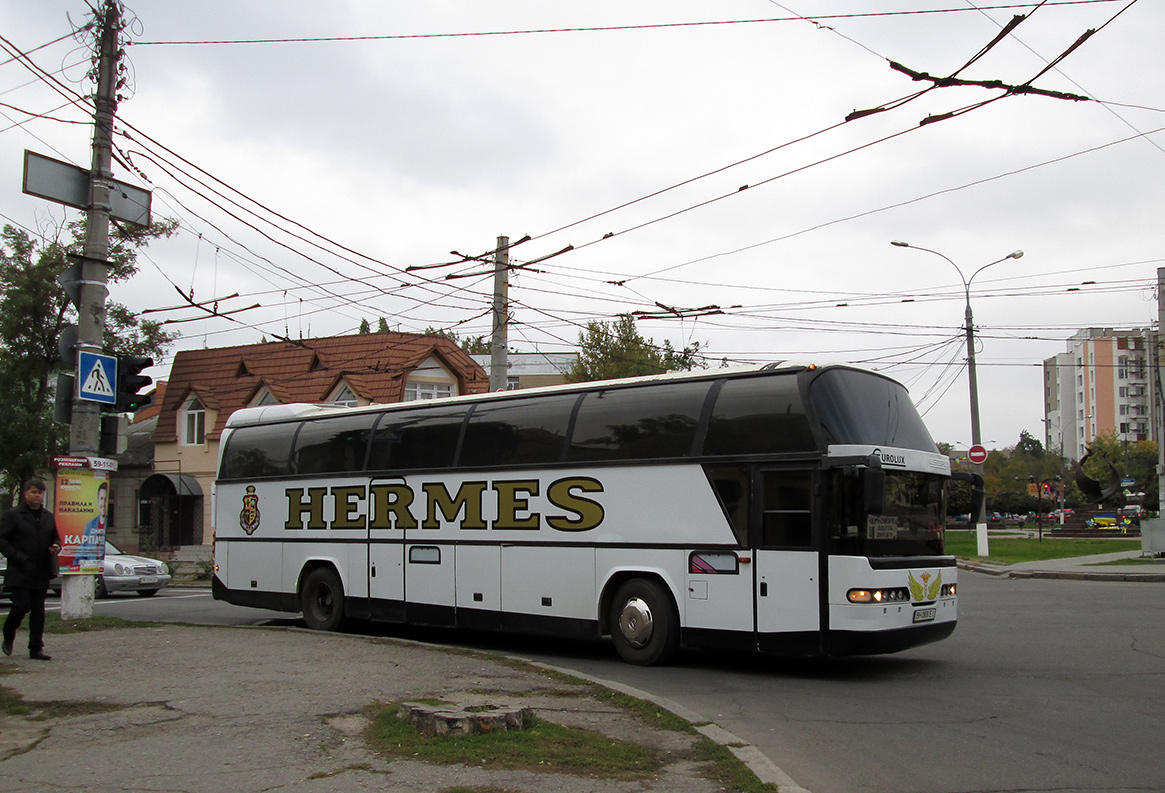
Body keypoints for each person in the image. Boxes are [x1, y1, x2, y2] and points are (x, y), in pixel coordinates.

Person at [0, 478, 62, 660]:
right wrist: (17, 556)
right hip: (20, 570)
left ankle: (35, 648)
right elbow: (2, 540)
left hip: (41, 570)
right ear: (26, 493)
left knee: (38, 610)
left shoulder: (48, 517)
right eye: (33, 492)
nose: (37, 496)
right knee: (21, 605)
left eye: (40, 492)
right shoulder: (13, 515)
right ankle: (8, 631)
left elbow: (56, 537)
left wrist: (56, 546)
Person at [73, 481, 108, 564]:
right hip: (89, 570)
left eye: (106, 500)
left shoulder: (107, 524)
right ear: (97, 500)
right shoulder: (90, 525)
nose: (103, 504)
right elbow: (79, 556)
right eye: (101, 499)